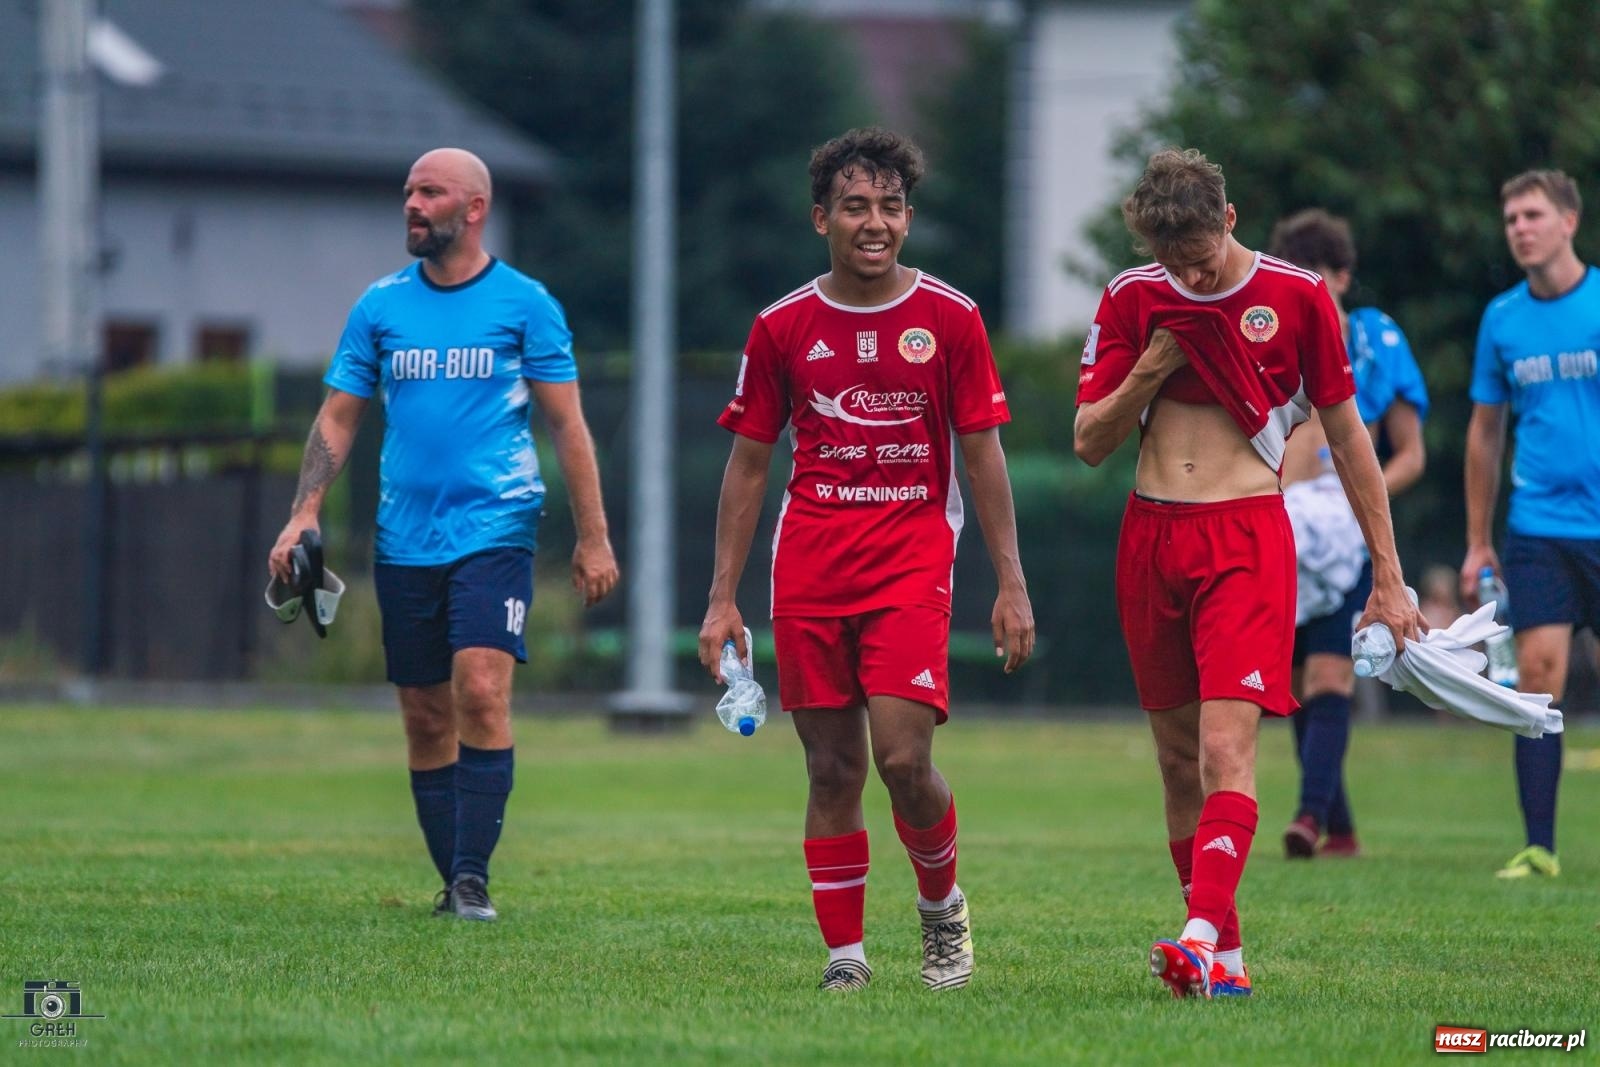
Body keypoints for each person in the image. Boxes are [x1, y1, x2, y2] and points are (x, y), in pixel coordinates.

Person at [1074, 149, 1423, 998]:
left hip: (1245, 539)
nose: (1188, 275)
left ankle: (1195, 934)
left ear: (1229, 221)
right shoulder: (1131, 296)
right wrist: (1150, 369)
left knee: (1228, 749)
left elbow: (1350, 442)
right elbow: (1088, 439)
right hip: (1150, 537)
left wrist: (1390, 574)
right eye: (1172, 261)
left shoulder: (1298, 297)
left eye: (1198, 255)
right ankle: (1224, 964)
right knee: (1176, 758)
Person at [697, 127, 1035, 992]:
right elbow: (747, 463)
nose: (874, 222)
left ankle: (941, 912)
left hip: (911, 563)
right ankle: (846, 958)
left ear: (909, 218)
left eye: (889, 206)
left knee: (901, 758)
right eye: (855, 206)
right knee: (832, 765)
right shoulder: (781, 326)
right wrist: (721, 597)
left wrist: (1011, 583)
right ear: (822, 219)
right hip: (809, 565)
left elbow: (984, 453)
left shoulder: (951, 317)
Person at [268, 147, 620, 921]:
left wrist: (593, 536)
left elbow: (567, 425)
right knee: (425, 713)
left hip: (495, 525)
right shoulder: (380, 306)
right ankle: (452, 882)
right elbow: (338, 415)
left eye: (430, 192)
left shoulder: (526, 304)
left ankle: (471, 881)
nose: (412, 205)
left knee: (481, 689)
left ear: (474, 207)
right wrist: (305, 511)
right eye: (408, 192)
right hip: (403, 538)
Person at [1268, 209, 1430, 860]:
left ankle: (1307, 818)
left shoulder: (1375, 340)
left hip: (1352, 534)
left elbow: (1411, 453)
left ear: (1342, 277)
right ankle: (1342, 828)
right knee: (1296, 678)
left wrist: (1354, 502)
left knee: (1332, 673)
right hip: (1283, 530)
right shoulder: (1272, 341)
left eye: (1317, 279)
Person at [1462, 168, 1600, 880]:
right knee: (1537, 681)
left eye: (1533, 214)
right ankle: (1540, 846)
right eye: (1511, 216)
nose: (1519, 226)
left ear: (1568, 222)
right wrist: (1479, 538)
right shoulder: (1503, 319)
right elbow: (1486, 433)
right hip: (1538, 525)